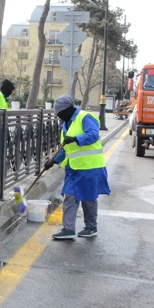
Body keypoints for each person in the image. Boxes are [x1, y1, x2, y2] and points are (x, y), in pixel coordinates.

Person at [44, 94, 110, 240]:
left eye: (60, 113)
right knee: (70, 197)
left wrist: (76, 138)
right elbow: (65, 148)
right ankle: (68, 229)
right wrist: (52, 161)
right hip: (73, 169)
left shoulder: (85, 117)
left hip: (90, 167)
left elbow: (93, 135)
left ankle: (91, 227)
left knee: (88, 199)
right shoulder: (66, 124)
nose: (59, 116)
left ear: (67, 109)